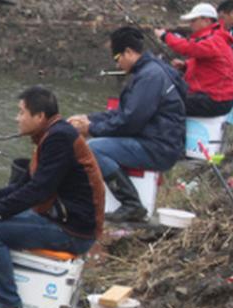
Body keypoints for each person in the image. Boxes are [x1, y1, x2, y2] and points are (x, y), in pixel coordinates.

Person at [0, 86, 104, 308]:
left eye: (21, 112)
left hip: (75, 230)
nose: (17, 118)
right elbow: (21, 187)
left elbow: (37, 191)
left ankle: (8, 306)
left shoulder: (59, 138)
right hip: (60, 219)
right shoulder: (50, 136)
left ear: (39, 117)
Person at [67, 27, 187, 223]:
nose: (117, 63)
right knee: (98, 143)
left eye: (117, 57)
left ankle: (132, 204)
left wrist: (90, 129)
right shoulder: (152, 70)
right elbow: (124, 114)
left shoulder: (150, 77)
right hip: (158, 140)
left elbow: (130, 122)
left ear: (129, 52)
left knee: (94, 149)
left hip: (159, 147)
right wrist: (90, 118)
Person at [156, 2, 233, 117]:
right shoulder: (215, 37)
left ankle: (169, 134)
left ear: (207, 21)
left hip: (214, 100)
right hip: (215, 97)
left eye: (193, 20)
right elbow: (208, 63)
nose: (190, 24)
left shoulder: (214, 39)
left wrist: (165, 37)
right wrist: (185, 66)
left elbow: (190, 48)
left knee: (164, 104)